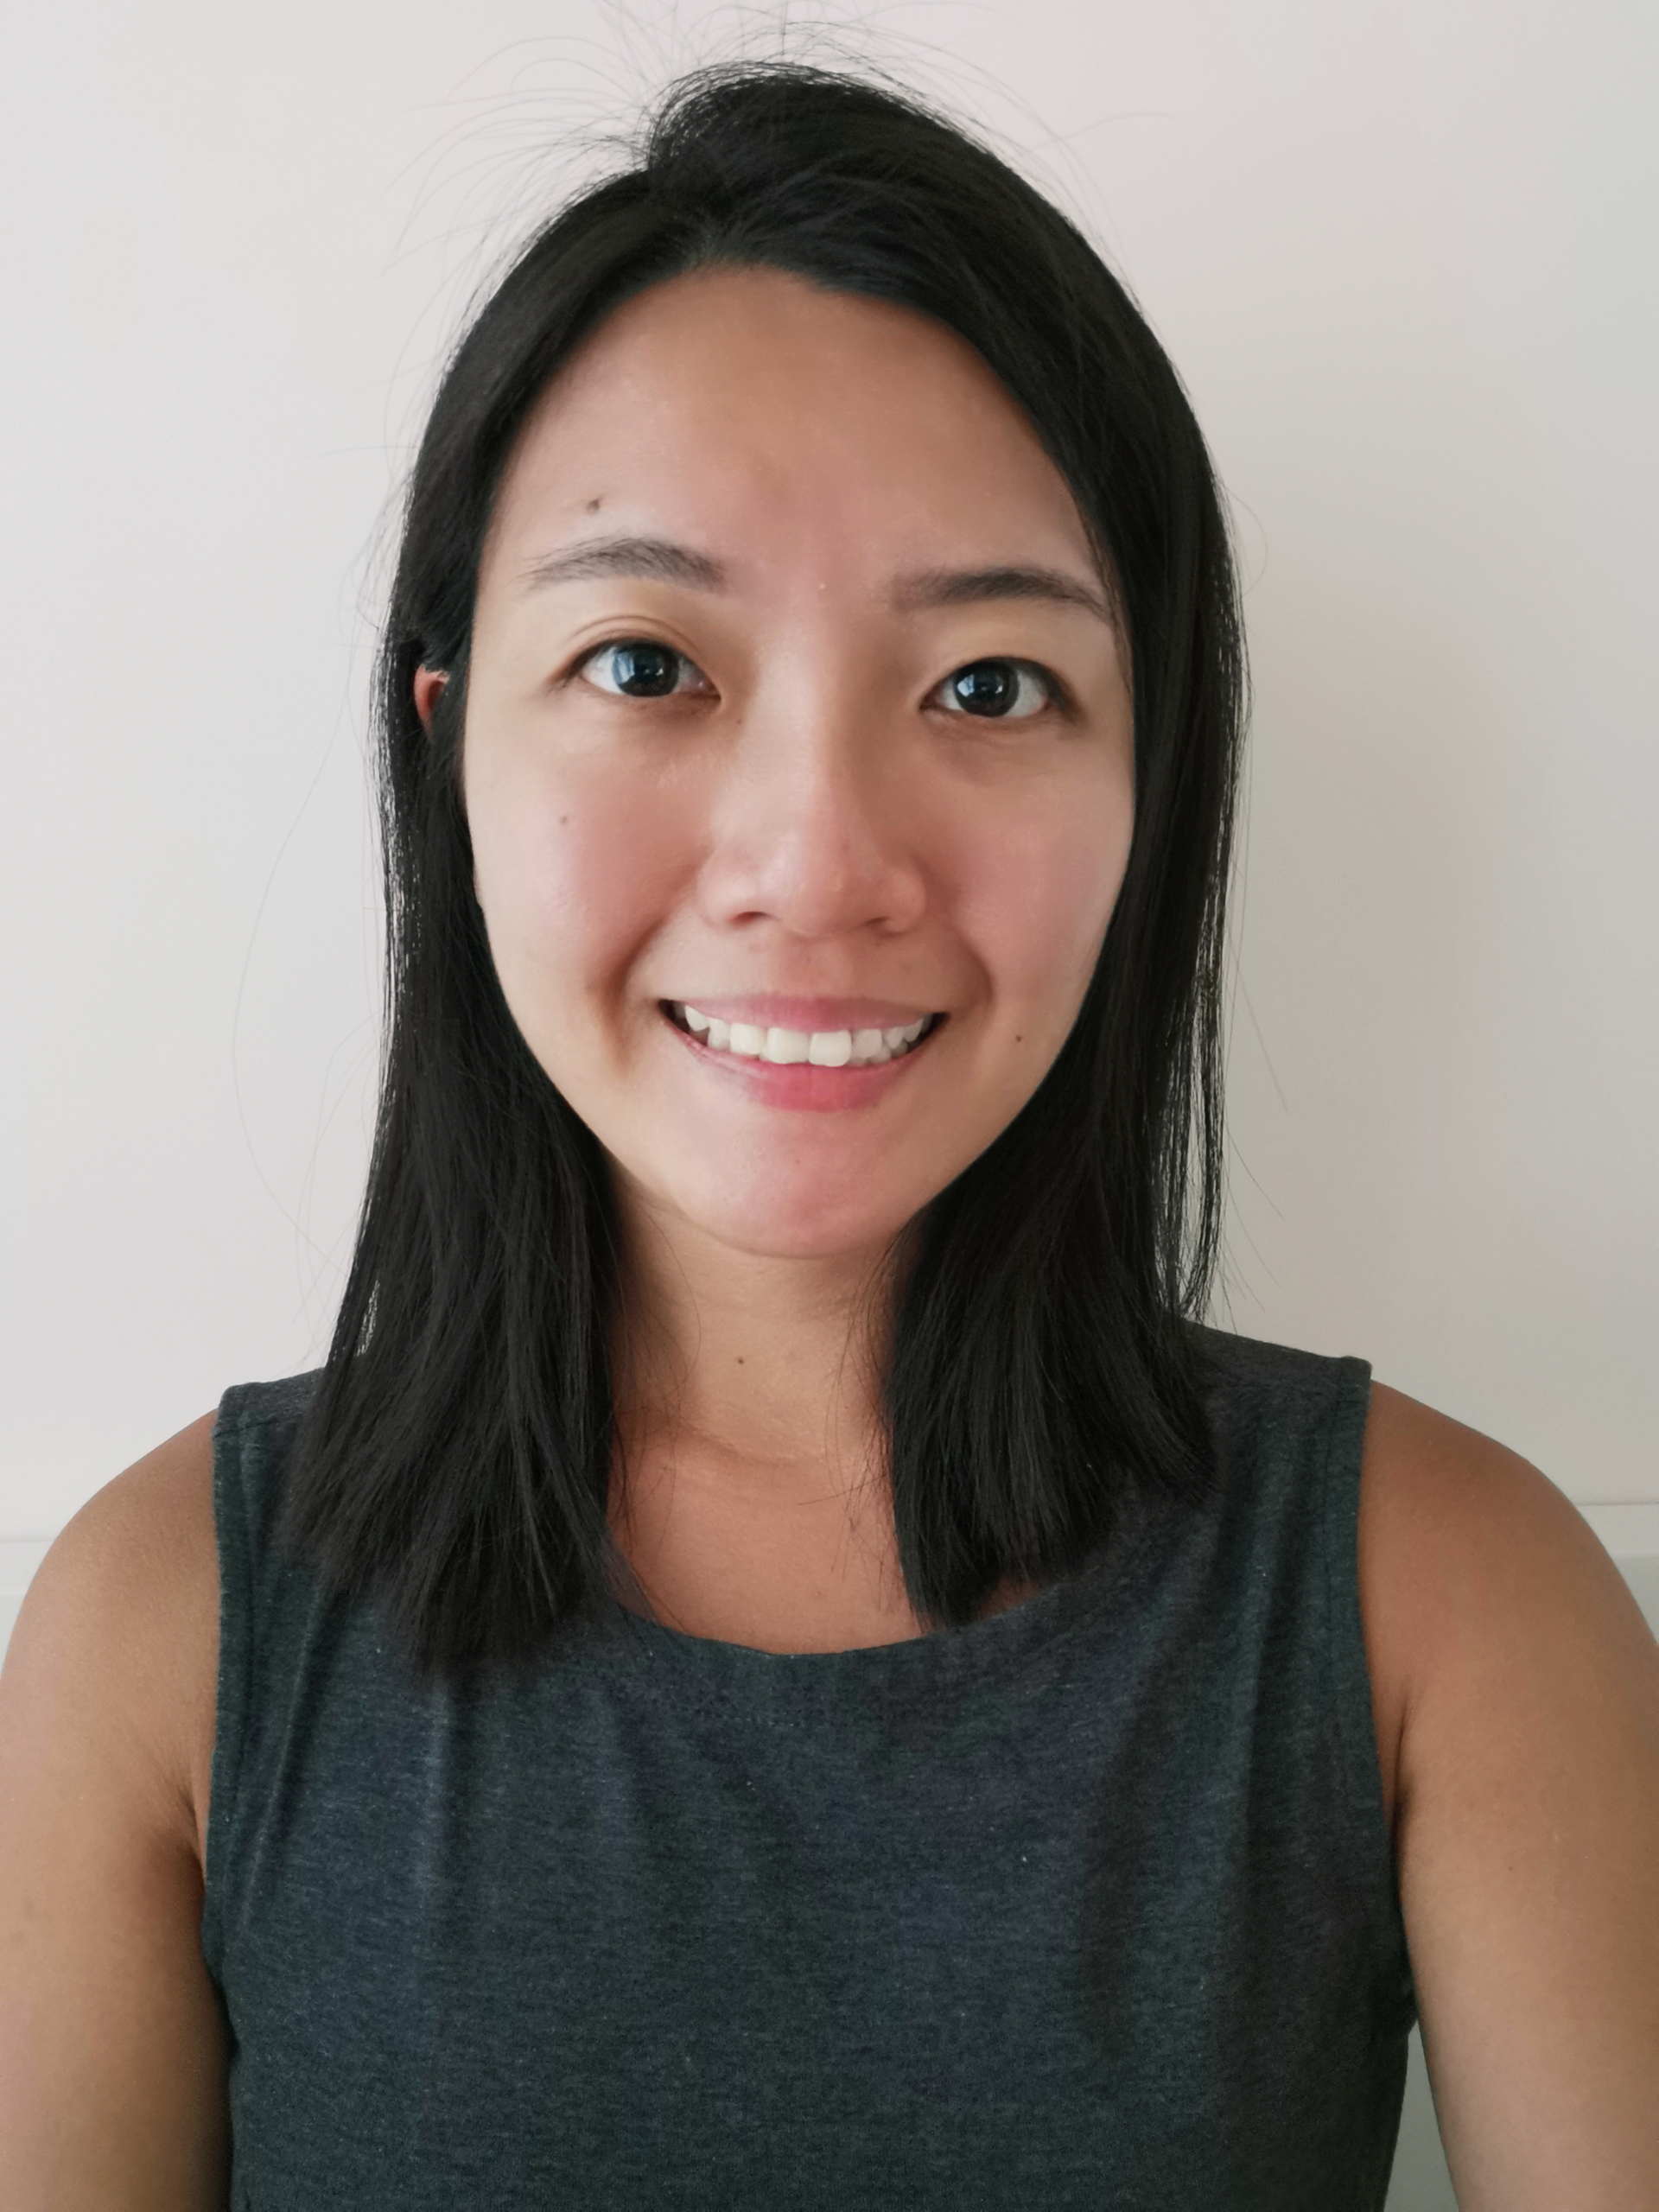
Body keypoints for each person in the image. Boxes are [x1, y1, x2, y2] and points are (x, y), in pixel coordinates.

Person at [2, 60, 1655, 2211]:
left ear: (1150, 780)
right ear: (451, 753)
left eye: (988, 684)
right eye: (644, 663)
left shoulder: (1447, 1608)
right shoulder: (159, 1632)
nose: (815, 861)